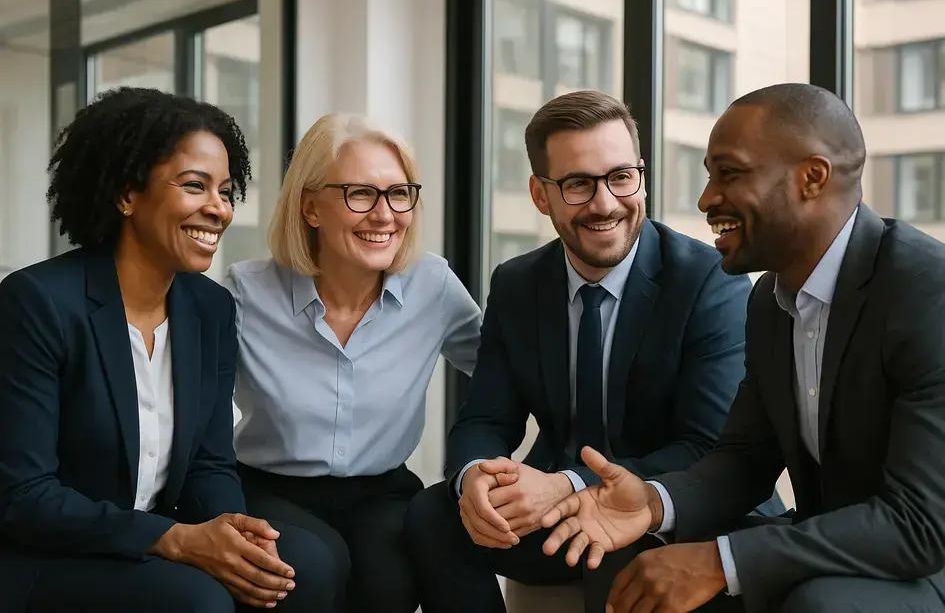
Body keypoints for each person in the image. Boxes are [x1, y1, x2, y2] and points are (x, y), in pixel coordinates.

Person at [541, 83, 945, 613]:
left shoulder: (925, 292)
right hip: (830, 542)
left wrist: (722, 561)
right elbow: (747, 459)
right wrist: (652, 504)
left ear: (812, 178)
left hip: (924, 561)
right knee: (632, 562)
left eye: (729, 173)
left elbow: (919, 523)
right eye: (709, 176)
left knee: (821, 603)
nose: (706, 198)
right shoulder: (768, 301)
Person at [406, 90, 778, 613]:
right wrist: (477, 480)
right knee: (431, 514)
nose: (605, 203)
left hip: (677, 508)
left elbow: (705, 448)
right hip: (564, 507)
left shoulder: (708, 282)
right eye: (578, 184)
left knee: (621, 562)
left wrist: (565, 484)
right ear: (541, 194)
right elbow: (486, 417)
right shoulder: (517, 284)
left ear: (640, 176)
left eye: (621, 177)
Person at [0, 87, 345, 613]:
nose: (218, 209)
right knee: (199, 602)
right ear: (126, 194)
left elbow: (209, 463)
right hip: (48, 553)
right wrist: (175, 540)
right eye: (194, 186)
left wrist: (232, 533)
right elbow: (24, 497)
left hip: (157, 539)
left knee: (304, 569)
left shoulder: (209, 308)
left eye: (226, 191)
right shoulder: (38, 303)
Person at [225, 112, 481, 613]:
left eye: (399, 193)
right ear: (311, 207)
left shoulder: (434, 285)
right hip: (268, 488)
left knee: (388, 578)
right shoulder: (245, 293)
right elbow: (190, 410)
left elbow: (506, 375)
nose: (385, 215)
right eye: (360, 194)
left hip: (382, 492)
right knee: (310, 568)